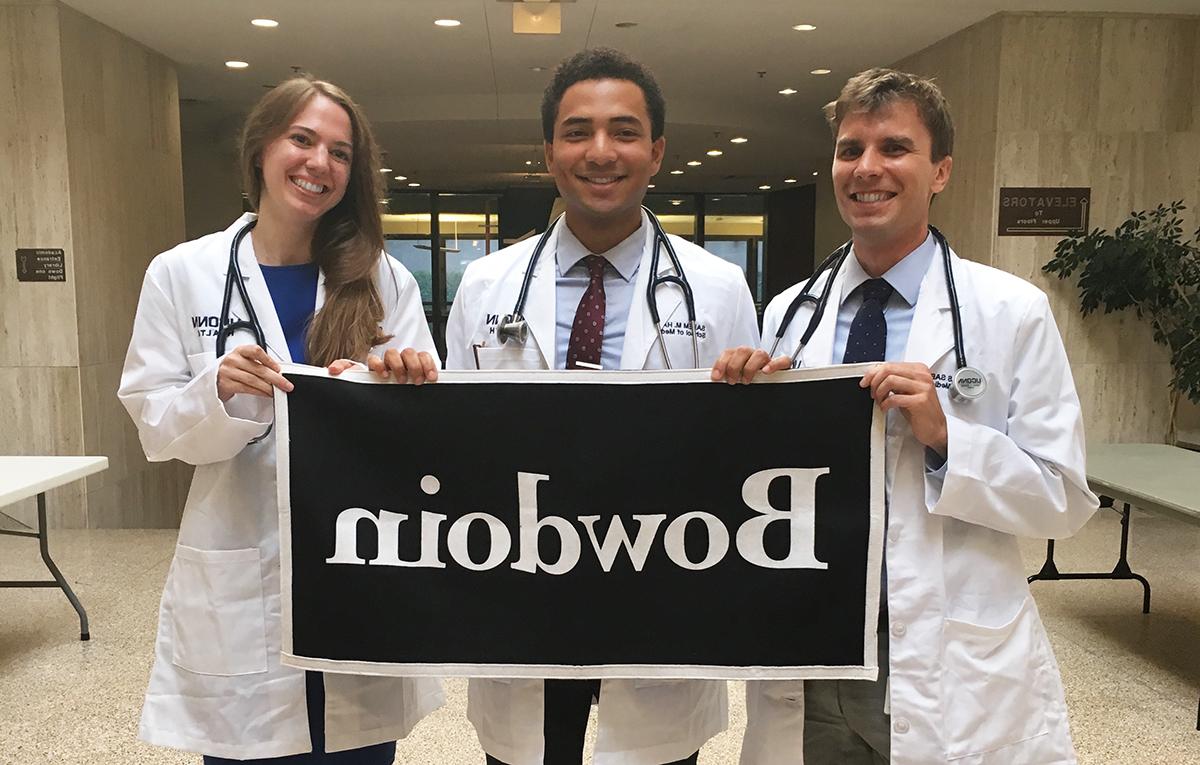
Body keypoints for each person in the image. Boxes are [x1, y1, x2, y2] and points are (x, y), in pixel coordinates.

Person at [712, 68, 1098, 764]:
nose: (866, 169)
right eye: (850, 148)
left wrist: (950, 438)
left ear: (941, 168)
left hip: (944, 646)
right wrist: (740, 410)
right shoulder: (789, 314)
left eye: (894, 147)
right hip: (814, 644)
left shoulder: (1011, 312)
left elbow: (1063, 499)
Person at [445, 48, 759, 765]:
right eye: (577, 131)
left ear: (657, 152)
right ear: (549, 150)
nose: (600, 152)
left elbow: (746, 455)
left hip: (661, 589)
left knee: (650, 750)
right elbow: (454, 447)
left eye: (623, 131)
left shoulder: (717, 290)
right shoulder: (486, 285)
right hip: (521, 583)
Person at [119, 76, 441, 763]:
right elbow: (153, 422)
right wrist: (221, 390)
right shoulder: (182, 274)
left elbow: (425, 432)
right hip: (243, 567)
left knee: (356, 745)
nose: (319, 163)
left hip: (359, 564)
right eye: (302, 139)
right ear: (261, 148)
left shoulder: (386, 280)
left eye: (340, 152)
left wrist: (400, 389)